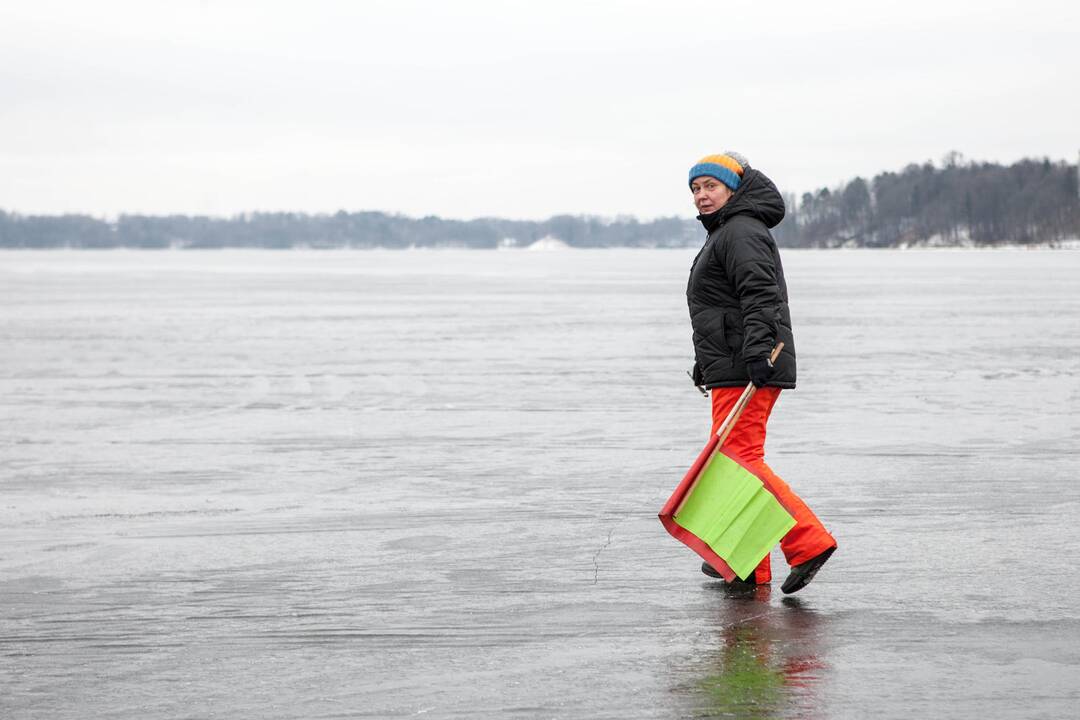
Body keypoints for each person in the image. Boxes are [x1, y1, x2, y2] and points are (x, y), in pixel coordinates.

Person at [686, 152, 837, 594]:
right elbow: (723, 306)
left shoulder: (742, 231)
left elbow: (760, 295)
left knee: (739, 461)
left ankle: (808, 542)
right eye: (696, 189)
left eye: (710, 187)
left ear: (733, 188)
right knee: (729, 463)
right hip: (731, 363)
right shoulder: (728, 232)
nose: (702, 196)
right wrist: (707, 360)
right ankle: (747, 562)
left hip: (750, 364)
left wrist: (756, 353)